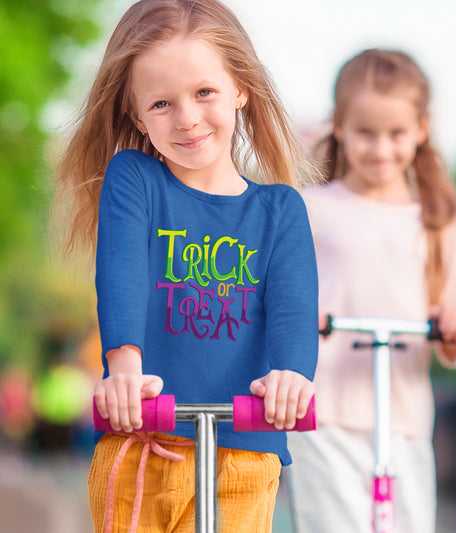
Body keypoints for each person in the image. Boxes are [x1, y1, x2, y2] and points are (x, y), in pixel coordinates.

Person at [53, 1, 318, 531]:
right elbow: (122, 268)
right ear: (135, 114)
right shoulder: (135, 180)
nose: (187, 118)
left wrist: (292, 376)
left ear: (240, 87)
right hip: (145, 443)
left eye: (204, 92)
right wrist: (124, 368)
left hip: (243, 453)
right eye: (161, 103)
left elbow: (293, 304)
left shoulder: (280, 209)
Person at [286, 49, 456, 533]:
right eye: (365, 133)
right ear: (340, 128)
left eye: (396, 134)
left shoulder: (440, 221)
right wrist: (299, 314)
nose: (380, 149)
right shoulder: (311, 209)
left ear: (421, 128)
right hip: (325, 412)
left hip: (405, 417)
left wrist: (455, 327)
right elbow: (281, 298)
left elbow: (453, 336)